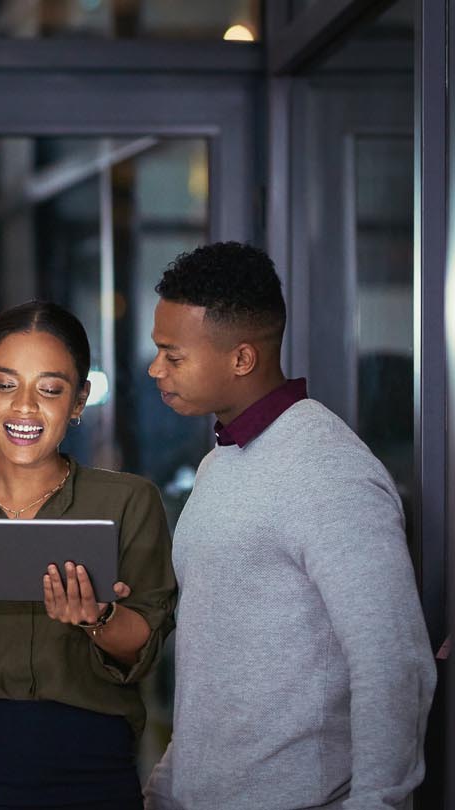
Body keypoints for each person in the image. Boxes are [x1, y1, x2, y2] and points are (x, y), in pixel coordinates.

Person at [142, 242, 435, 809]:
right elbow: (215, 663)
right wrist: (166, 789)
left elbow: (393, 662)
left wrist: (377, 803)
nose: (156, 370)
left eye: (172, 356)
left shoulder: (330, 470)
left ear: (242, 359)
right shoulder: (219, 462)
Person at [0, 300, 177, 810]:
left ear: (79, 400)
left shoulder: (128, 502)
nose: (24, 407)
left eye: (49, 389)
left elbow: (143, 646)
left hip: (95, 779)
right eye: (5, 385)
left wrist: (98, 618)